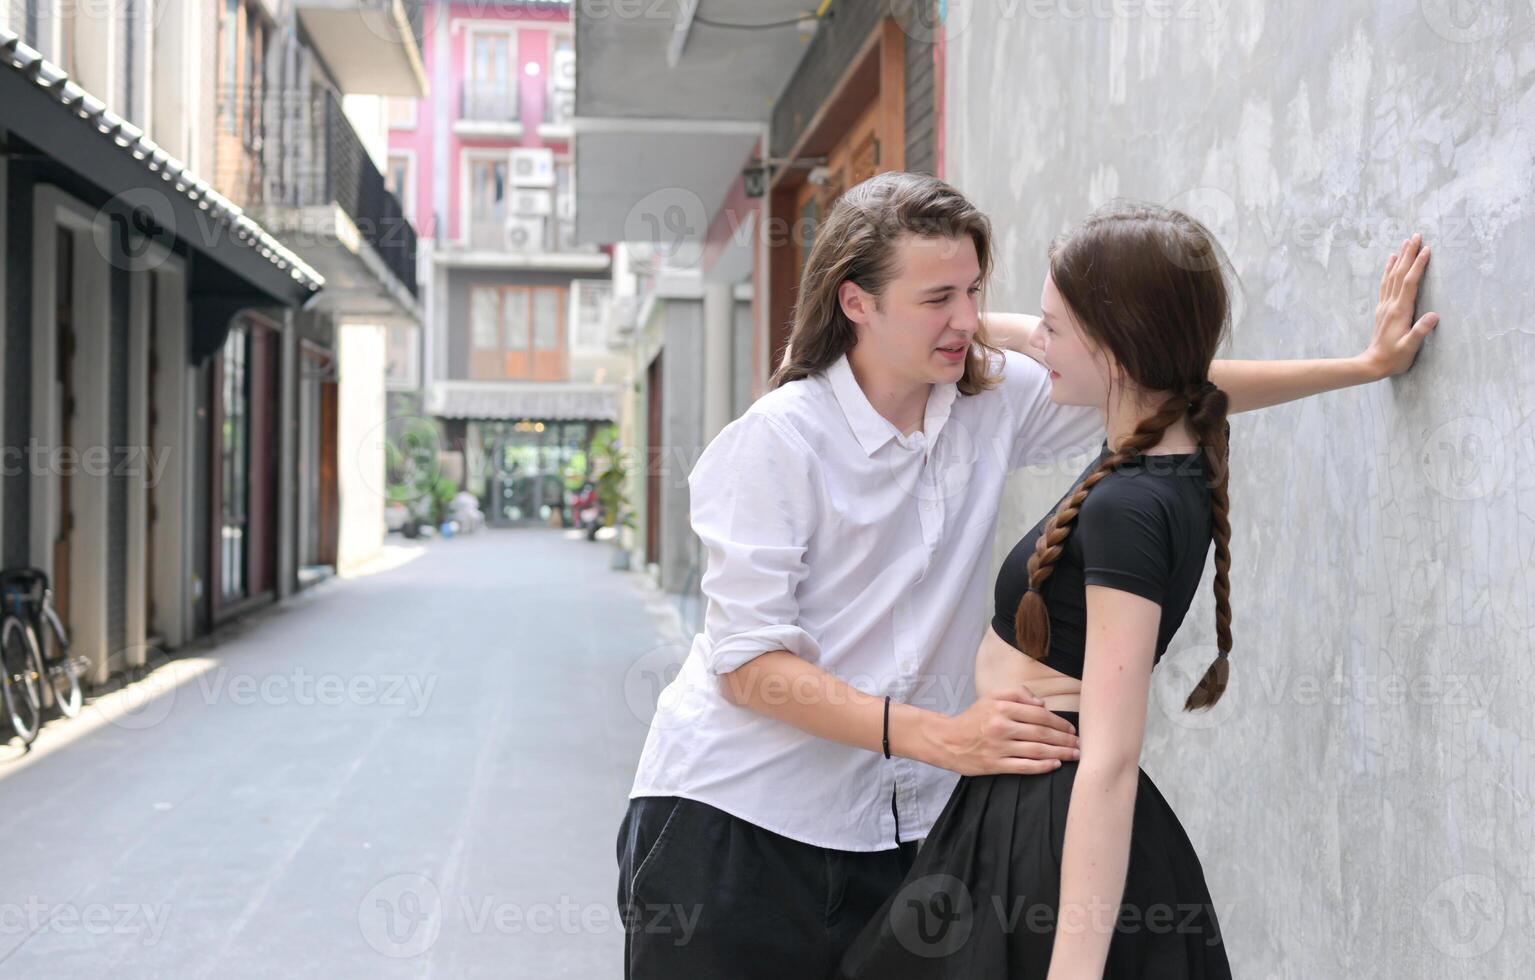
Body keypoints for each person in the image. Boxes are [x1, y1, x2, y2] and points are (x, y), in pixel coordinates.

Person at [615, 173, 1437, 979]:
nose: (969, 320)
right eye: (937, 297)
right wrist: (944, 736)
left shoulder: (986, 399)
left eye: (975, 291)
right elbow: (750, 673)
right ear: (854, 302)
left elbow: (1153, 379)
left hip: (901, 835)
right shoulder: (778, 443)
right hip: (735, 828)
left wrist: (1359, 368)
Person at [833, 203, 1433, 977]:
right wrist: (1362, 366)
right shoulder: (1168, 427)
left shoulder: (1130, 503)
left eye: (1049, 328)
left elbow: (1112, 759)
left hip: (1046, 824)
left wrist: (1073, 972)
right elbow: (1195, 376)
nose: (1024, 339)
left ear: (1117, 351)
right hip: (1017, 804)